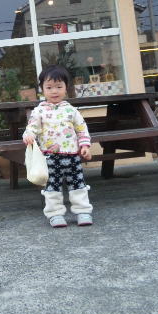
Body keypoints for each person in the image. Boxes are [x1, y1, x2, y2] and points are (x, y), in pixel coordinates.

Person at [23, 65, 93, 228]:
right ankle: (55, 214)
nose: (54, 91)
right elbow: (32, 127)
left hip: (72, 155)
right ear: (42, 89)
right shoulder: (39, 111)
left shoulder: (71, 111)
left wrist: (85, 146)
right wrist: (29, 135)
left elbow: (81, 129)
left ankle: (83, 211)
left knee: (78, 183)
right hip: (49, 157)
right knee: (52, 186)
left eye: (59, 87)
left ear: (66, 88)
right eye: (49, 87)